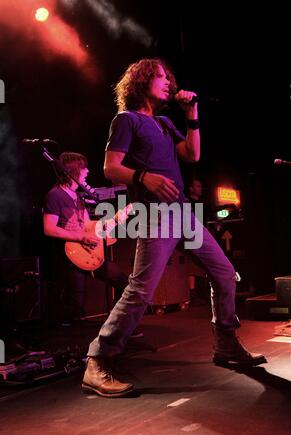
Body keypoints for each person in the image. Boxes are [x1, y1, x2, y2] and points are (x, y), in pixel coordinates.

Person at [82, 58, 266, 398]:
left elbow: (192, 155)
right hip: (155, 214)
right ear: (140, 81)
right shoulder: (127, 120)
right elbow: (110, 168)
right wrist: (143, 177)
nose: (168, 83)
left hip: (182, 212)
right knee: (140, 290)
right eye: (160, 77)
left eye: (169, 78)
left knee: (224, 274)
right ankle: (98, 359)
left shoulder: (166, 123)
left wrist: (192, 115)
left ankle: (225, 344)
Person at [43, 151, 132, 326]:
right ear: (74, 171)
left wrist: (113, 220)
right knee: (75, 304)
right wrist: (81, 237)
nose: (87, 171)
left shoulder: (78, 197)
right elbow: (49, 228)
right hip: (69, 256)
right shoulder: (55, 195)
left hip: (87, 252)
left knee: (122, 281)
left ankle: (118, 322)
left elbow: (87, 225)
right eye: (84, 168)